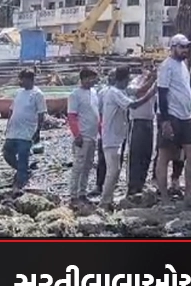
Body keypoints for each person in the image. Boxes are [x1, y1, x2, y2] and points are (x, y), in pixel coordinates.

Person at [99, 66, 158, 209]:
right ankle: (105, 202)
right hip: (111, 137)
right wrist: (151, 94)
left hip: (116, 137)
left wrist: (152, 79)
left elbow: (137, 91)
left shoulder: (120, 91)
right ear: (125, 79)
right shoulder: (114, 93)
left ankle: (108, 200)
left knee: (115, 170)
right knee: (113, 171)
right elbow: (133, 105)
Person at [156, 34, 191, 203]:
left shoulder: (183, 65)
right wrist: (165, 121)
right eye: (182, 47)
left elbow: (183, 85)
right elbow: (162, 93)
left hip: (186, 115)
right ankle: (164, 197)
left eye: (187, 47)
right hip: (171, 116)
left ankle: (189, 192)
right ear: (173, 47)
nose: (185, 50)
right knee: (165, 156)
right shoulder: (166, 66)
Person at [3, 69, 47, 193]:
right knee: (7, 153)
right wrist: (7, 126)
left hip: (27, 131)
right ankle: (24, 170)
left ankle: (21, 183)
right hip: (13, 129)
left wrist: (38, 131)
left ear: (30, 80)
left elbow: (41, 114)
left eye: (23, 79)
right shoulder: (18, 93)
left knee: (23, 155)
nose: (20, 82)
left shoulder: (37, 94)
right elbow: (12, 110)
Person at [67, 68, 100, 209]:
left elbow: (97, 114)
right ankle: (73, 195)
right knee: (78, 166)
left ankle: (82, 193)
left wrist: (100, 131)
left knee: (88, 166)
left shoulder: (94, 93)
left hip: (92, 136)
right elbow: (72, 116)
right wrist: (77, 134)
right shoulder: (75, 95)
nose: (94, 81)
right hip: (83, 135)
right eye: (92, 78)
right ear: (84, 78)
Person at [126, 69, 160, 197]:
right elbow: (139, 93)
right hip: (137, 121)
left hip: (149, 121)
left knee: (147, 154)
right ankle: (133, 185)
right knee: (136, 154)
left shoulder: (153, 84)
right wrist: (152, 81)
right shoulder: (134, 82)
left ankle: (141, 183)